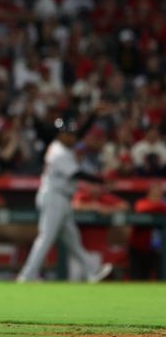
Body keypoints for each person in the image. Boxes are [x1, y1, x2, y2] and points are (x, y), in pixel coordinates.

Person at [17, 117, 114, 283]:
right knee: (46, 237)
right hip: (54, 196)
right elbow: (77, 174)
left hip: (61, 197)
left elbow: (81, 134)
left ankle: (93, 271)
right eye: (69, 134)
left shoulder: (63, 148)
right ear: (61, 135)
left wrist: (92, 116)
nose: (73, 137)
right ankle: (27, 275)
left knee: (72, 239)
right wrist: (101, 180)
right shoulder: (58, 152)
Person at [69, 179, 128, 281]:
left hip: (96, 251)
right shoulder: (83, 195)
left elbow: (124, 206)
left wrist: (107, 209)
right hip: (78, 250)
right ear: (88, 187)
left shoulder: (105, 198)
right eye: (92, 185)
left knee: (92, 280)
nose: (95, 188)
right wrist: (94, 206)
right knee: (74, 279)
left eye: (97, 185)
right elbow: (75, 206)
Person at [128, 182, 166, 280]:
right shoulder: (142, 202)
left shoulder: (163, 204)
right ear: (149, 192)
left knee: (158, 276)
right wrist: (160, 206)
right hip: (138, 247)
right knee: (137, 277)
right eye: (155, 192)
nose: (157, 194)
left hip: (156, 248)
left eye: (160, 192)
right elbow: (142, 208)